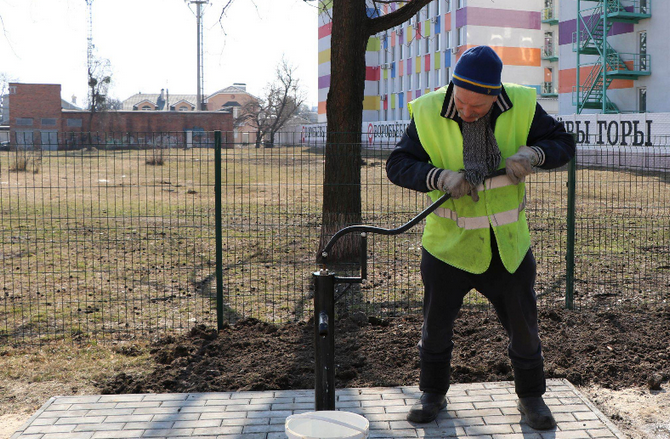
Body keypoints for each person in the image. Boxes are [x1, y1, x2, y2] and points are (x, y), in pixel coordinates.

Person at [385, 45, 575, 430]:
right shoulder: (426, 110)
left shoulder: (521, 104)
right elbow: (398, 164)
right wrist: (437, 177)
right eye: (461, 103)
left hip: (507, 247)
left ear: (496, 95)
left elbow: (563, 145)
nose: (467, 113)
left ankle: (531, 398)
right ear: (452, 86)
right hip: (447, 248)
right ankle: (432, 394)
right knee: (435, 327)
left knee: (524, 327)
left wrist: (535, 154)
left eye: (478, 107)